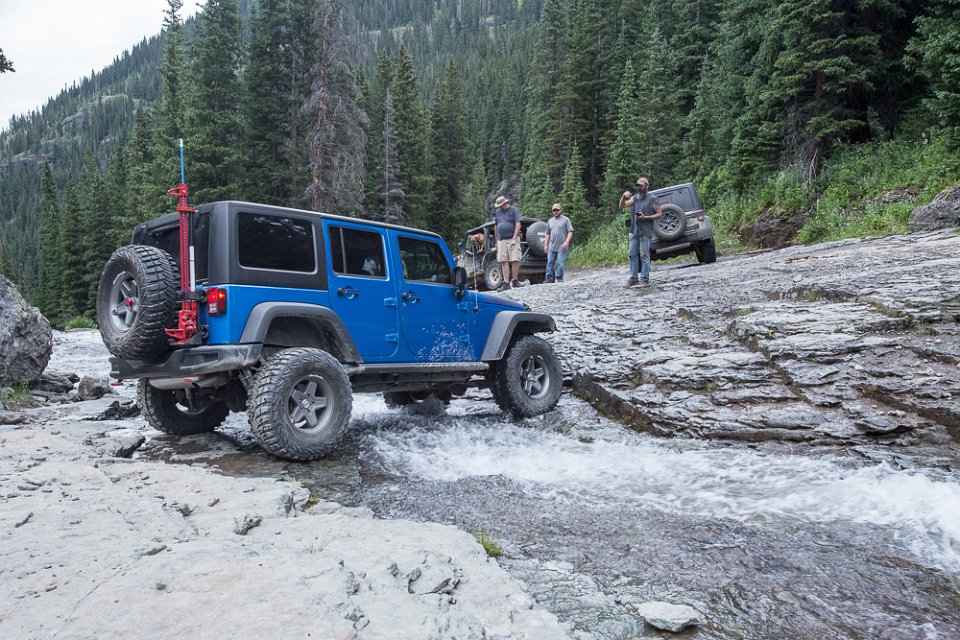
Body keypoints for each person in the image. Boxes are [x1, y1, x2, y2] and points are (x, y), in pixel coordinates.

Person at [618, 177, 661, 287]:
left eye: (641, 185)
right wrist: (623, 197)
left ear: (647, 186)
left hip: (646, 231)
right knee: (632, 254)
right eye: (638, 185)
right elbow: (622, 206)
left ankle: (644, 279)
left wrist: (646, 217)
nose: (639, 187)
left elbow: (659, 214)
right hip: (634, 231)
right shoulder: (635, 198)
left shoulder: (653, 199)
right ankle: (633, 278)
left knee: (644, 255)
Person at [493, 195, 522, 290]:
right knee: (503, 261)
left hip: (512, 238)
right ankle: (506, 283)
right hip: (501, 240)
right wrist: (497, 240)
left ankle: (515, 280)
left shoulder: (514, 210)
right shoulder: (497, 212)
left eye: (501, 205)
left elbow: (518, 224)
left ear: (505, 203)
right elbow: (496, 226)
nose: (500, 207)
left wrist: (514, 238)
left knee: (515, 259)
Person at [544, 203, 573, 283]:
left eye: (557, 210)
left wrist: (567, 242)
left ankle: (559, 277)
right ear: (552, 211)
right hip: (552, 246)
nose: (556, 212)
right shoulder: (550, 221)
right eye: (554, 210)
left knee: (560, 263)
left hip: (562, 246)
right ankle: (549, 278)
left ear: (560, 210)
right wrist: (545, 245)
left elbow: (570, 231)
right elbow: (548, 233)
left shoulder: (566, 220)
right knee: (550, 262)